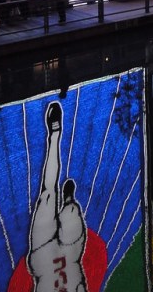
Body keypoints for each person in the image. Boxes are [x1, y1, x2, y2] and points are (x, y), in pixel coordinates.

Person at [27, 101, 88, 291]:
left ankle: (54, 136)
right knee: (70, 212)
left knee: (46, 195)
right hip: (70, 253)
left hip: (43, 253)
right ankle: (68, 199)